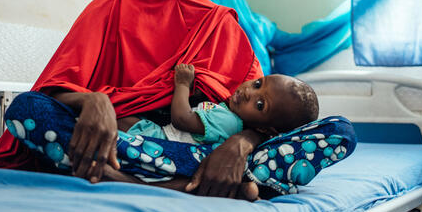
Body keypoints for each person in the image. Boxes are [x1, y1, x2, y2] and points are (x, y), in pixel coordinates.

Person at [0, 0, 266, 199]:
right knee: (28, 109)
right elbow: (53, 90)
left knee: (288, 143)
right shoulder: (104, 13)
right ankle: (181, 183)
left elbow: (266, 109)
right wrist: (93, 101)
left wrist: (239, 146)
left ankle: (114, 174)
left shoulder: (218, 23)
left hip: (196, 147)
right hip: (120, 140)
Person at [125, 64, 319, 144]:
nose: (248, 92)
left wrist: (183, 84)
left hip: (158, 139)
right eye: (258, 84)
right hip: (159, 133)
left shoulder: (229, 122)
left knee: (118, 116)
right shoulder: (228, 111)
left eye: (260, 104)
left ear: (263, 128)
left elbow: (182, 119)